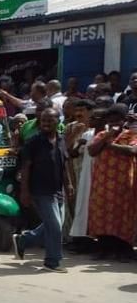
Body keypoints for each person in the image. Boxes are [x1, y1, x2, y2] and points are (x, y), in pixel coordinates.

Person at [12, 109, 73, 272]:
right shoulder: (33, 143)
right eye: (43, 121)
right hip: (40, 190)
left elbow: (64, 164)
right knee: (55, 227)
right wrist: (24, 192)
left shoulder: (60, 140)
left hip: (58, 190)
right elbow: (26, 168)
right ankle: (52, 262)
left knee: (53, 224)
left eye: (49, 121)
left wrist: (68, 185)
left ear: (57, 122)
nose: (45, 124)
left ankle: (24, 240)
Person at [86, 105, 137, 260]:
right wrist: (107, 137)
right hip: (102, 183)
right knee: (101, 214)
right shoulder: (102, 134)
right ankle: (104, 249)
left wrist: (110, 145)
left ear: (124, 121)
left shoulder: (131, 135)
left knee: (122, 215)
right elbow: (92, 151)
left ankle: (123, 250)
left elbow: (132, 151)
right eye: (111, 120)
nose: (114, 123)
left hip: (123, 183)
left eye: (117, 120)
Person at [68, 104, 104, 245]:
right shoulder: (87, 134)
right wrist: (78, 142)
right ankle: (82, 240)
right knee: (83, 206)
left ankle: (102, 243)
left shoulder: (108, 135)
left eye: (96, 118)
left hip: (103, 177)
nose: (92, 120)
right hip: (87, 176)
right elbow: (73, 153)